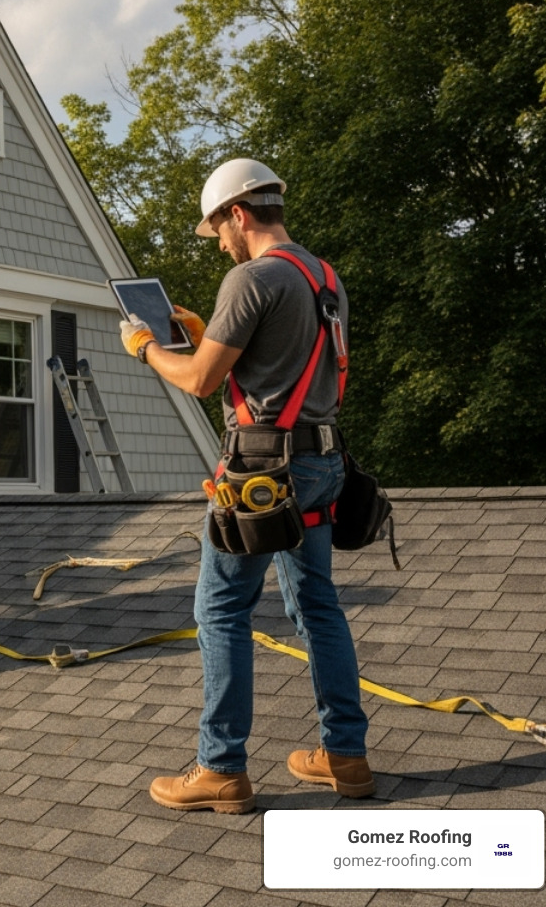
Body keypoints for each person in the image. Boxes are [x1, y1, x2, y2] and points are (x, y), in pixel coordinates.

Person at [121, 158, 372, 814]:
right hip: (321, 465)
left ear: (238, 213)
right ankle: (345, 755)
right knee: (318, 607)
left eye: (219, 230)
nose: (221, 244)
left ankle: (221, 768)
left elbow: (202, 381)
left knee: (221, 611)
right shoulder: (323, 277)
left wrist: (148, 346)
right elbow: (280, 365)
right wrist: (209, 334)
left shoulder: (251, 276)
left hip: (260, 475)